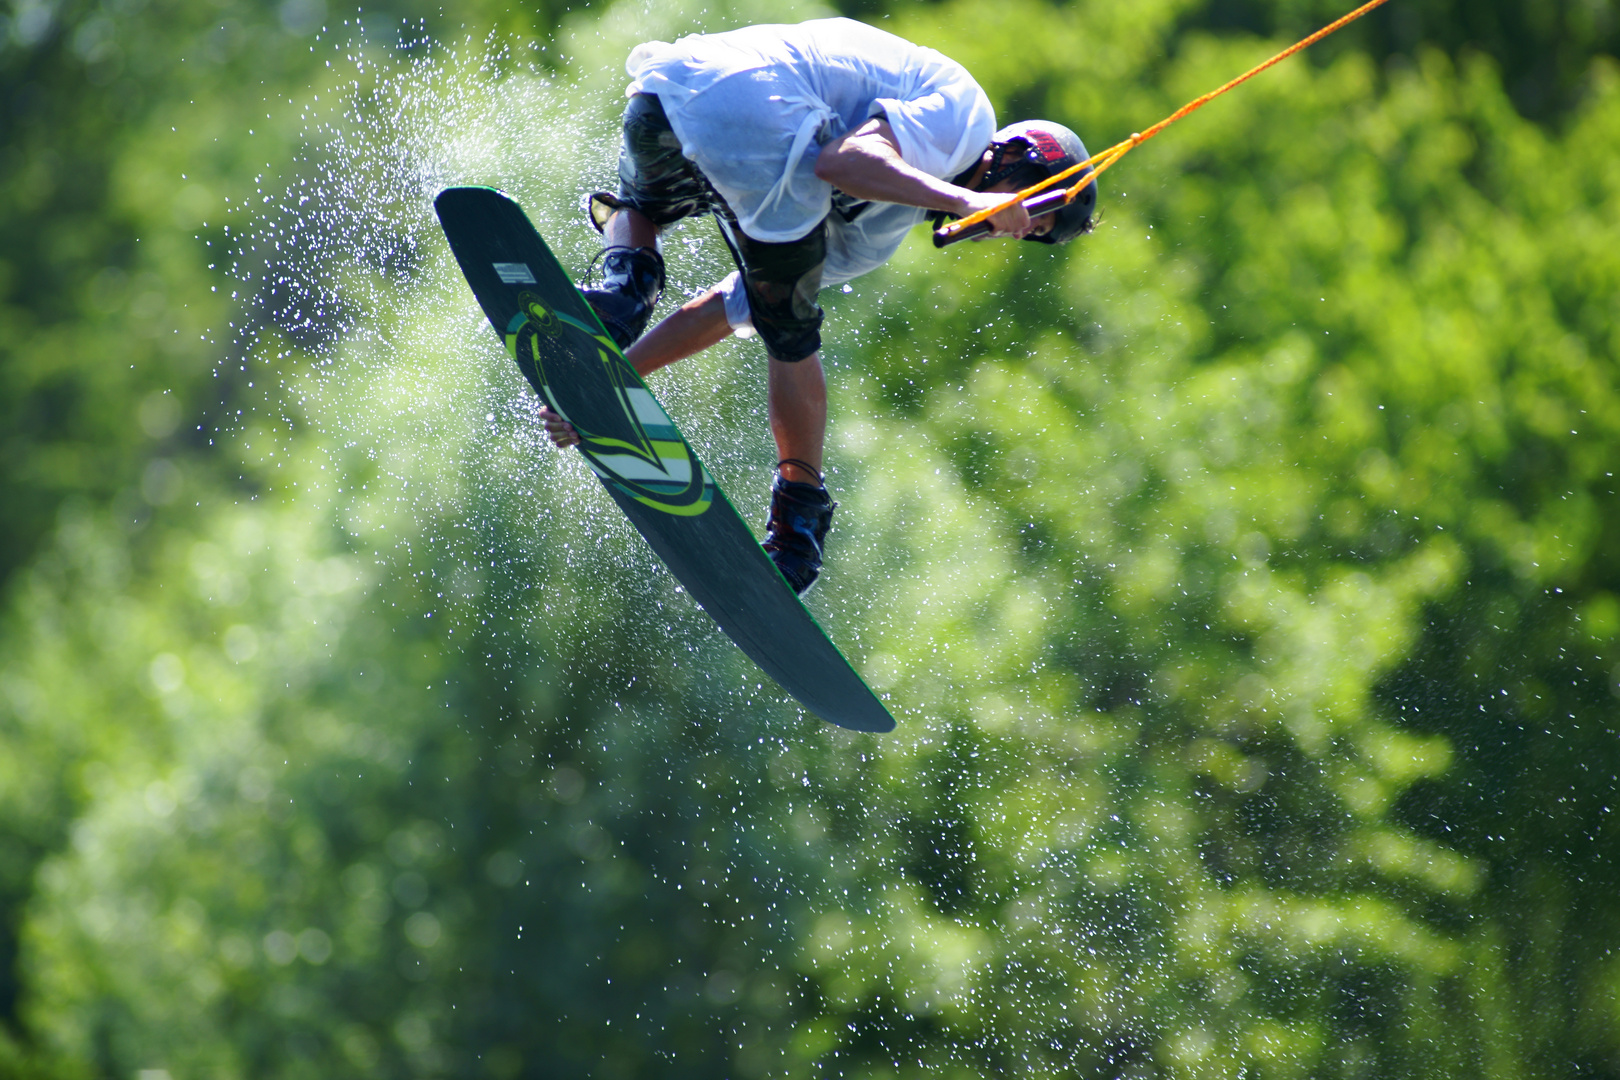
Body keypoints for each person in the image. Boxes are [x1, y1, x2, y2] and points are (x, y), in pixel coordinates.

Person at [540, 17, 1097, 593]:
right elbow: (842, 162)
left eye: (1032, 234)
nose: (1014, 230)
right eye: (1031, 210)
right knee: (793, 336)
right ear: (1012, 160)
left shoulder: (878, 232)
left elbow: (728, 308)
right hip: (756, 110)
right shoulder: (967, 116)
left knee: (647, 213)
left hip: (664, 102)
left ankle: (624, 290)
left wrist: (610, 383)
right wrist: (962, 196)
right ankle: (797, 520)